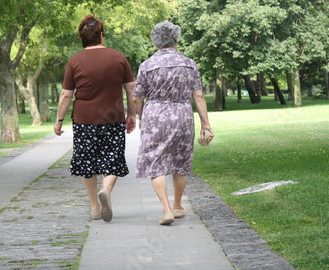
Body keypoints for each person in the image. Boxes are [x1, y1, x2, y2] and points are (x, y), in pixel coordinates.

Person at [54, 15, 136, 222]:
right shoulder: (118, 57)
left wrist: (59, 120)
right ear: (100, 34)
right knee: (113, 158)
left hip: (84, 121)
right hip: (113, 118)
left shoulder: (75, 61)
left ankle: (94, 207)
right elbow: (131, 89)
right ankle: (106, 190)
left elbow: (66, 94)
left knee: (86, 162)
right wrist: (132, 114)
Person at [133, 21, 214, 225]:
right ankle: (178, 205)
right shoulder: (189, 64)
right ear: (176, 38)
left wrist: (141, 117)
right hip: (182, 115)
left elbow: (136, 98)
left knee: (155, 162)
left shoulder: (147, 65)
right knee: (180, 161)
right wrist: (206, 125)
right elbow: (199, 96)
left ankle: (166, 209)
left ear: (156, 40)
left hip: (156, 115)